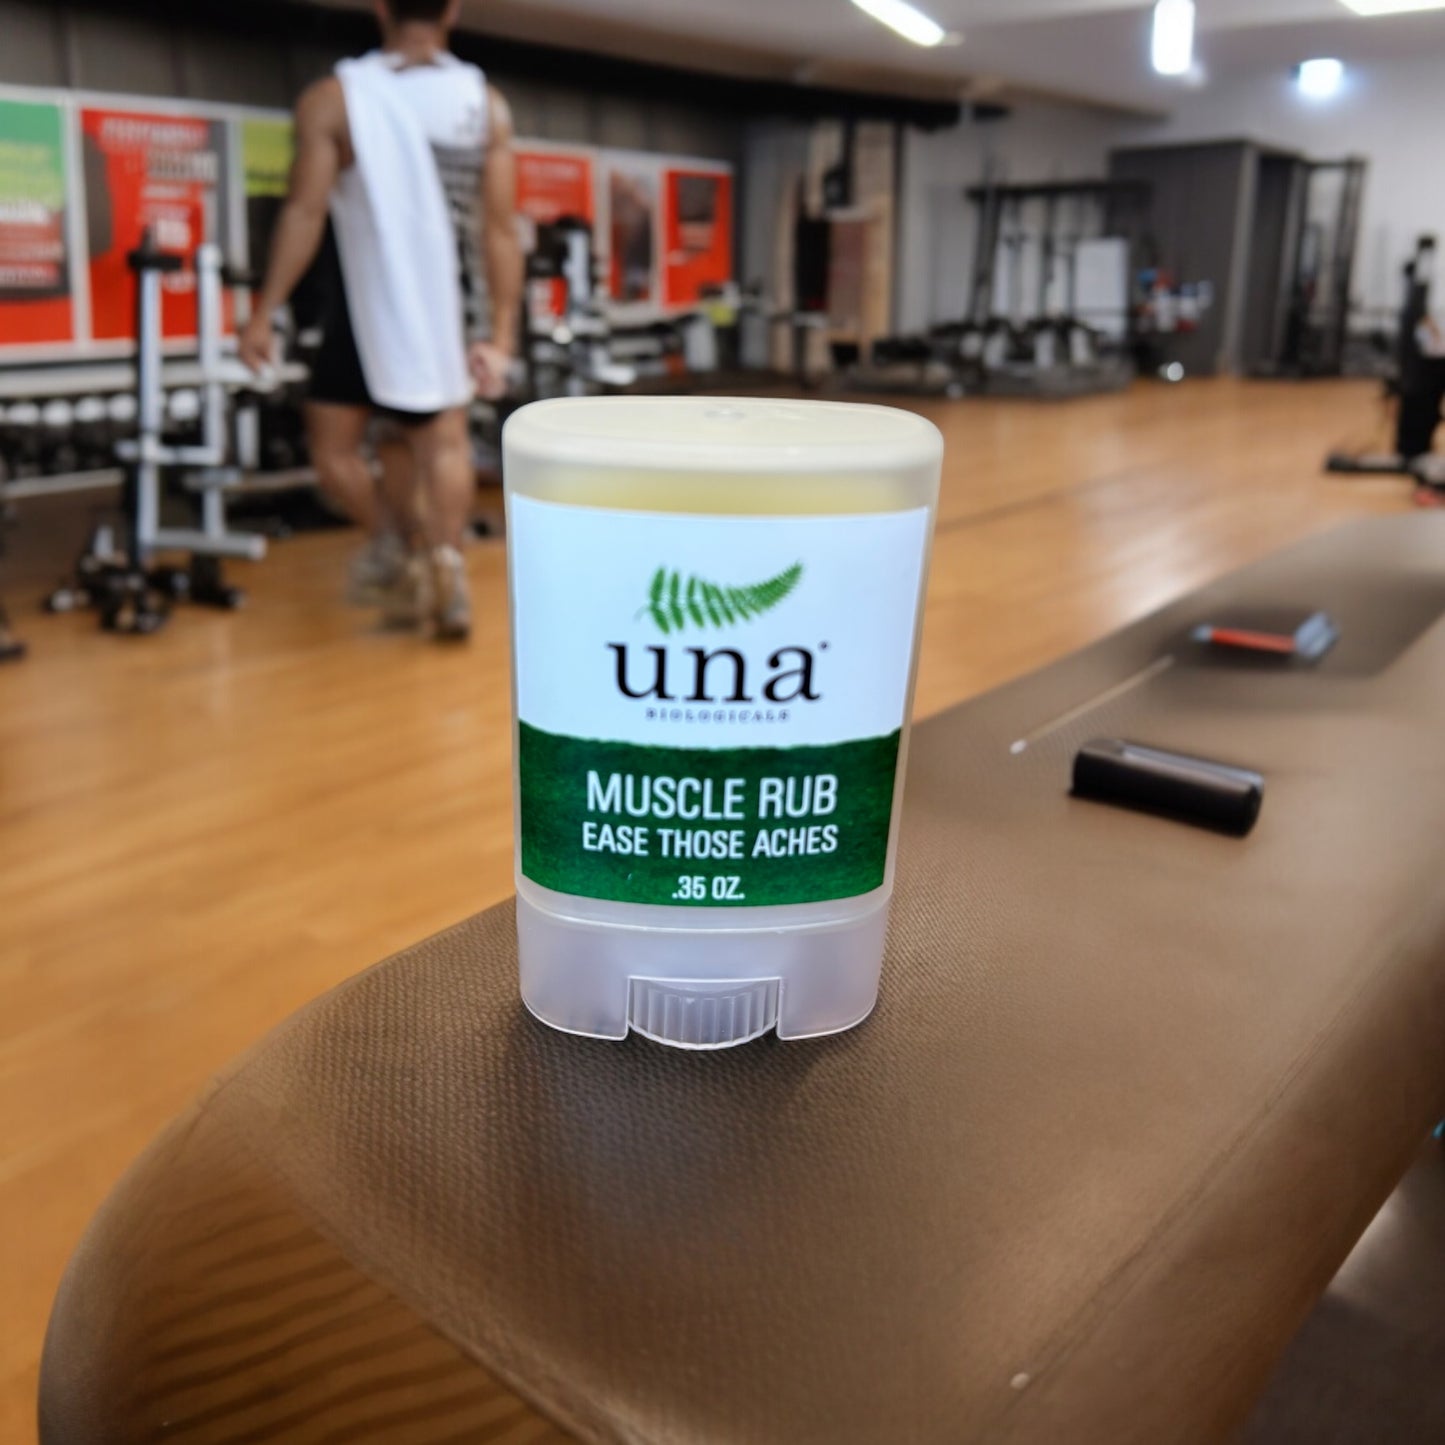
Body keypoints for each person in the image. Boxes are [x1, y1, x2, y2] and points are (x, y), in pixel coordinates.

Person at [240, 0, 522, 642]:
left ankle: (397, 542)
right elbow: (501, 231)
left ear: (379, 7)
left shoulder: (336, 99)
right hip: (443, 311)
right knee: (435, 444)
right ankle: (443, 564)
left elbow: (304, 214)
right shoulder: (484, 105)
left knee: (335, 451)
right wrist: (500, 335)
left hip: (362, 305)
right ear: (453, 10)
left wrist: (263, 312)